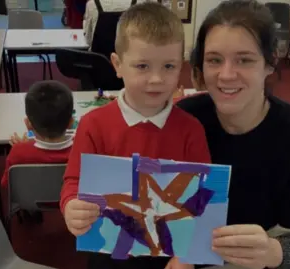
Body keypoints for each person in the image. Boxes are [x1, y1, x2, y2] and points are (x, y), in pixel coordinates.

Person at [177, 1, 290, 269]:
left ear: (270, 63)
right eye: (214, 60)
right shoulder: (182, 120)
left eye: (244, 60)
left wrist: (275, 251)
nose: (226, 75)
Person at [61, 2, 210, 269]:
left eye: (168, 66)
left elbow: (202, 198)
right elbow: (74, 180)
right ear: (117, 65)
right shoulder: (93, 125)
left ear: (181, 66)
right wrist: (71, 205)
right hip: (108, 251)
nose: (156, 79)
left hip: (169, 255)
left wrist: (187, 256)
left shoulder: (191, 129)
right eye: (142, 66)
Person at [1, 80, 75, 187]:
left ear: (28, 124)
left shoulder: (18, 153)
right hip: (70, 203)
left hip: (29, 204)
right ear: (71, 122)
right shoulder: (83, 151)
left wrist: (23, 146)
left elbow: (7, 185)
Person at [83, 0, 155, 49]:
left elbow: (88, 40)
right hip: (129, 64)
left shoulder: (92, 4)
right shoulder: (140, 3)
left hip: (100, 65)